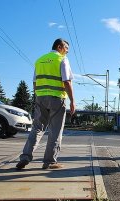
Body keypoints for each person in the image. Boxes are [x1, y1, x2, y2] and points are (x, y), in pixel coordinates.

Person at [16, 38, 76, 170]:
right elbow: (66, 81)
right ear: (60, 46)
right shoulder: (62, 59)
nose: (67, 52)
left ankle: (25, 156)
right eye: (66, 49)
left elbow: (34, 82)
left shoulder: (39, 60)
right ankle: (49, 162)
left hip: (41, 98)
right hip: (57, 99)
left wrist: (38, 97)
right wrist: (72, 101)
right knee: (55, 131)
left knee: (37, 128)